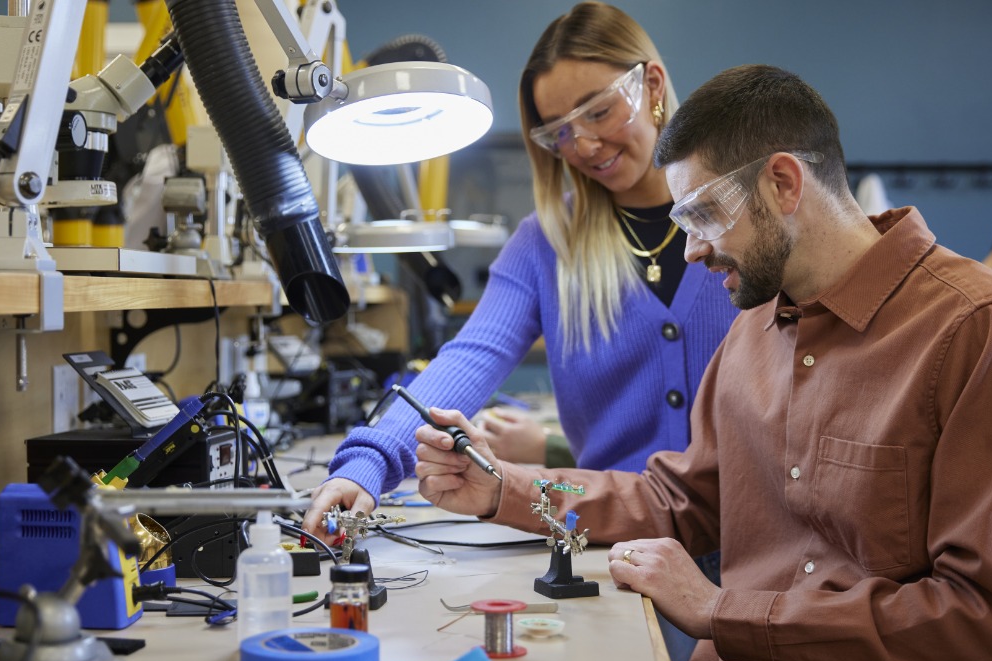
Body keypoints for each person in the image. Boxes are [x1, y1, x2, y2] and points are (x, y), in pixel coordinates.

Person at [412, 64, 992, 661]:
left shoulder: (987, 330)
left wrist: (723, 613)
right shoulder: (753, 333)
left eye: (703, 215)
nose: (692, 250)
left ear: (783, 182)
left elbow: (984, 621)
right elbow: (677, 503)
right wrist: (503, 490)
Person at [303, 3, 737, 528]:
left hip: (756, 550)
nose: (584, 146)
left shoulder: (741, 213)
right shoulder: (545, 243)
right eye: (559, 132)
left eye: (598, 112)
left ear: (651, 84)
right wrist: (366, 465)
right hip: (614, 541)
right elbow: (468, 357)